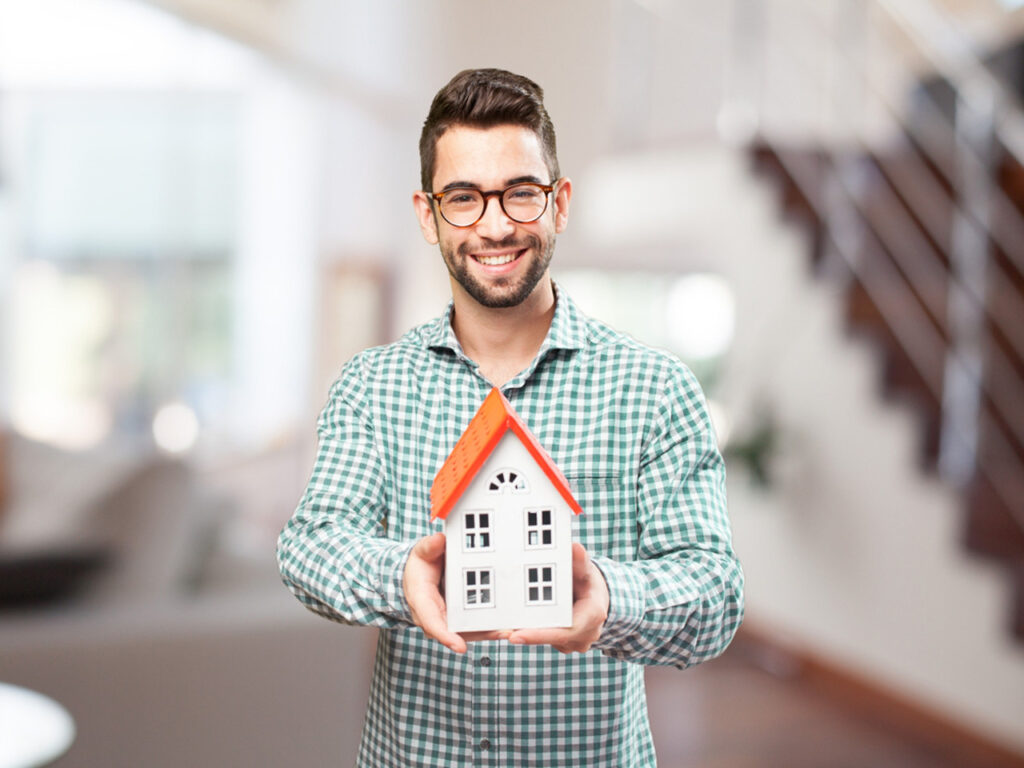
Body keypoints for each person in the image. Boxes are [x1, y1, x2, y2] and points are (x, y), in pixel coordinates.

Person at [277, 67, 744, 767]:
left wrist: (611, 594)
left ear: (559, 203)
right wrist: (399, 573)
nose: (495, 225)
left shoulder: (654, 390)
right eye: (463, 197)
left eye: (520, 193)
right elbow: (309, 546)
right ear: (427, 214)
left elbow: (715, 593)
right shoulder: (372, 386)